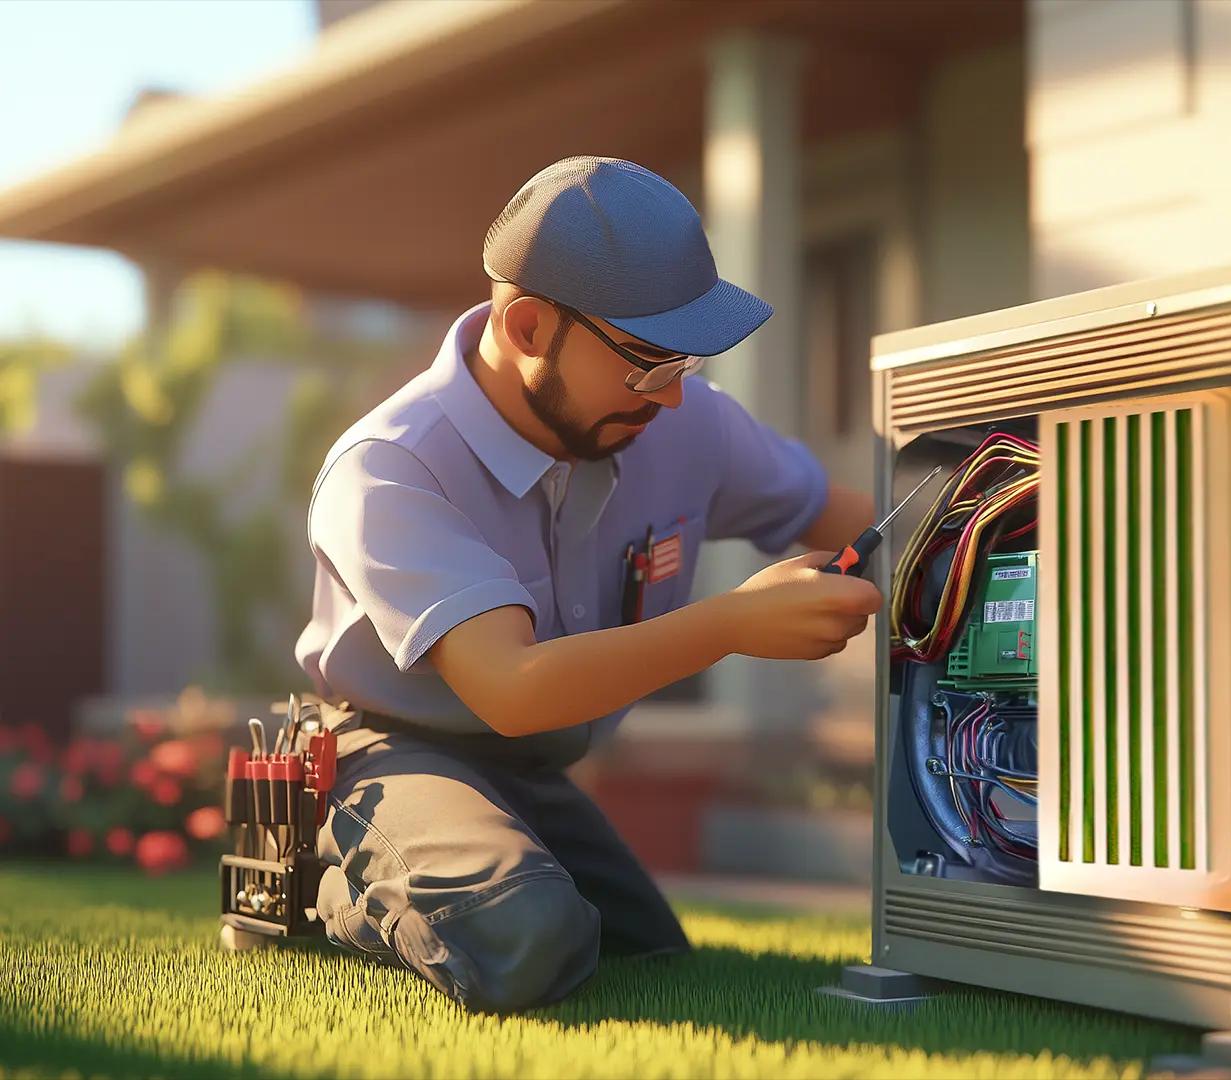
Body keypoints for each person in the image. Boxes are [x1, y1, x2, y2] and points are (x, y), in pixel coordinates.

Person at [261, 157, 883, 1013]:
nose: (672, 400)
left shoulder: (679, 420)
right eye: (648, 365)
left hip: (534, 769)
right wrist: (734, 624)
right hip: (391, 750)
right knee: (527, 938)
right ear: (526, 328)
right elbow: (510, 687)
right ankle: (323, 880)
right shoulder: (391, 469)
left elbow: (845, 512)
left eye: (688, 364)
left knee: (647, 950)